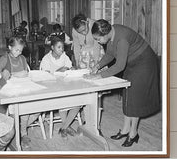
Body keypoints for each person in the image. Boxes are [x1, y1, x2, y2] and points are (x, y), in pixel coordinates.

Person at [85, 19, 160, 148]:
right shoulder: (112, 32)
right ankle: (125, 129)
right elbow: (110, 54)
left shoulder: (122, 39)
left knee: (135, 98)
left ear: (106, 34)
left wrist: (100, 75)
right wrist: (97, 66)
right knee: (127, 94)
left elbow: (119, 66)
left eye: (98, 39)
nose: (98, 42)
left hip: (144, 63)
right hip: (132, 62)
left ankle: (133, 133)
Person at [0, 37, 38, 150]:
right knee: (20, 109)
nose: (19, 53)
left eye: (21, 50)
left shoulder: (22, 58)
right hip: (10, 90)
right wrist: (13, 75)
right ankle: (21, 133)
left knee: (36, 109)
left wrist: (25, 74)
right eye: (16, 50)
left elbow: (26, 73)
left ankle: (20, 128)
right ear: (9, 47)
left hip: (23, 87)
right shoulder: (4, 58)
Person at [40, 37, 80, 137]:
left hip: (66, 86)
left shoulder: (64, 56)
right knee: (63, 103)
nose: (61, 50)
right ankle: (66, 127)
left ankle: (64, 127)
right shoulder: (46, 59)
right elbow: (45, 77)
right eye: (59, 47)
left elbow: (70, 68)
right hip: (52, 89)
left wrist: (72, 69)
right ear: (52, 47)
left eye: (62, 47)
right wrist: (58, 71)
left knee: (78, 104)